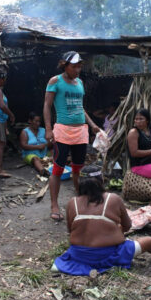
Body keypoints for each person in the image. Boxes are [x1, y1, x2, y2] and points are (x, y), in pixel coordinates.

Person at [51, 165, 151, 276]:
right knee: (148, 241)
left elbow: (71, 230)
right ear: (101, 181)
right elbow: (127, 226)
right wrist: (113, 231)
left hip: (79, 256)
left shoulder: (72, 202)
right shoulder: (113, 198)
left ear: (79, 184)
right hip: (110, 254)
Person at [43, 51, 100, 221]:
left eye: (79, 66)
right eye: (74, 66)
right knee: (58, 169)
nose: (78, 69)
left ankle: (80, 200)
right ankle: (54, 205)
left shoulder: (80, 83)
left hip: (80, 131)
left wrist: (92, 125)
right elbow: (47, 105)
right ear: (64, 65)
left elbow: (80, 107)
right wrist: (48, 129)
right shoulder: (55, 81)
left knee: (78, 169)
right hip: (62, 130)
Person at [19, 112, 50, 176]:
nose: (38, 123)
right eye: (36, 121)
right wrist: (38, 147)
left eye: (39, 121)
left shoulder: (43, 130)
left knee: (54, 152)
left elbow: (49, 143)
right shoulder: (25, 132)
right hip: (30, 155)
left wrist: (49, 143)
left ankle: (47, 162)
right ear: (30, 121)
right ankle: (43, 171)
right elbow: (23, 145)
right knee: (35, 159)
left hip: (44, 154)